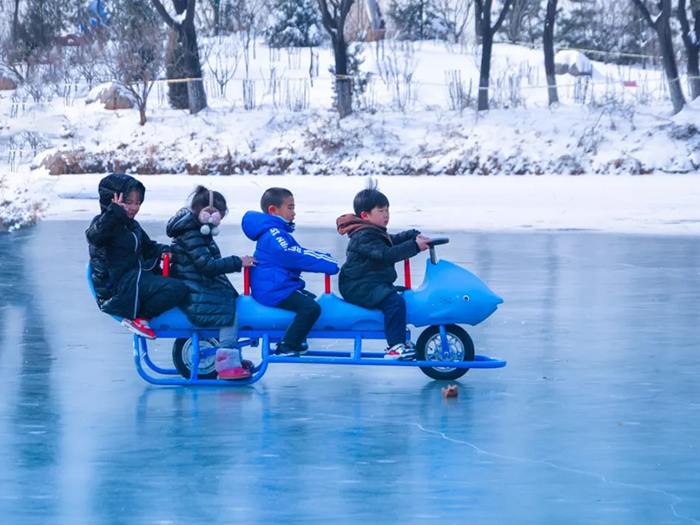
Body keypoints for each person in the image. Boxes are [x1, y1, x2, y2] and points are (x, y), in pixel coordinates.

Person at [166, 186, 257, 380]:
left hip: (198, 284)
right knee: (227, 315)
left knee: (229, 303)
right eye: (217, 215)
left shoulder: (197, 231)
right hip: (194, 291)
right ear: (207, 214)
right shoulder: (192, 234)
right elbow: (206, 265)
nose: (218, 221)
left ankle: (234, 358)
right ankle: (226, 364)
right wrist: (237, 261)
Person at [336, 182, 432, 360]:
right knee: (394, 303)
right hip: (358, 285)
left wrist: (412, 235)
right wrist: (415, 247)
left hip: (369, 283)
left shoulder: (373, 231)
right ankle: (395, 346)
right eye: (381, 211)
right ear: (365, 215)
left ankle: (399, 340)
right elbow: (385, 254)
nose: (386, 215)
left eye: (387, 210)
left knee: (399, 299)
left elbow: (392, 241)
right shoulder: (363, 236)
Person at [86, 173, 187, 339]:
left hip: (135, 278)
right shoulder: (104, 224)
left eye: (137, 203)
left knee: (180, 278)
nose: (134, 207)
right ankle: (141, 319)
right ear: (111, 200)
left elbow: (149, 247)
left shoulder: (132, 226)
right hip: (119, 286)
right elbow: (93, 237)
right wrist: (113, 214)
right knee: (176, 288)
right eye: (128, 202)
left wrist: (168, 251)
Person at [241, 187, 339, 356]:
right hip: (273, 289)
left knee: (309, 299)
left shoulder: (275, 232)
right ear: (273, 210)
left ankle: (295, 338)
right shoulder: (274, 234)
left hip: (276, 286)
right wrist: (327, 262)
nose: (294, 213)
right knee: (311, 308)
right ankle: (287, 345)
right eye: (290, 207)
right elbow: (294, 255)